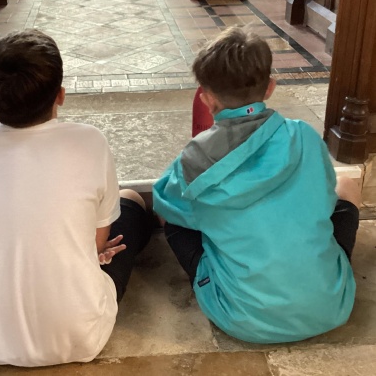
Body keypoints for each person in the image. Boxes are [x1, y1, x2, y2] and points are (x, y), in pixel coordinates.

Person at [0, 29, 152, 366]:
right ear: (60, 95)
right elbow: (97, 245)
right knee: (131, 202)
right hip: (79, 337)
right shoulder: (90, 141)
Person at [153, 27, 360, 344]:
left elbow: (166, 204)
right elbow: (324, 198)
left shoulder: (194, 159)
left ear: (206, 99)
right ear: (270, 88)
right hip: (331, 306)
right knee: (347, 186)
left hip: (243, 318)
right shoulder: (304, 135)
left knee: (174, 220)